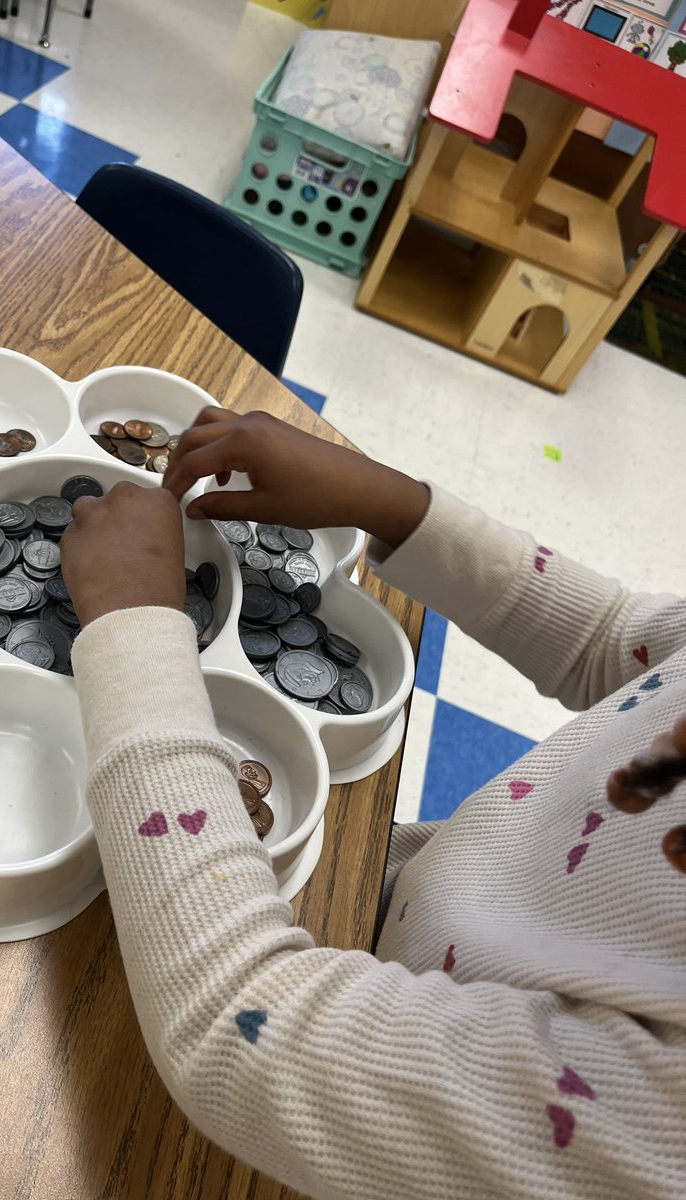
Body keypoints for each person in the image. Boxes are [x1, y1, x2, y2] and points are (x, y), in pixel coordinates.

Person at [60, 407, 685, 1200]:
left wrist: (131, 627)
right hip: (381, 906)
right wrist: (393, 502)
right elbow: (615, 641)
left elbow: (244, 1035)